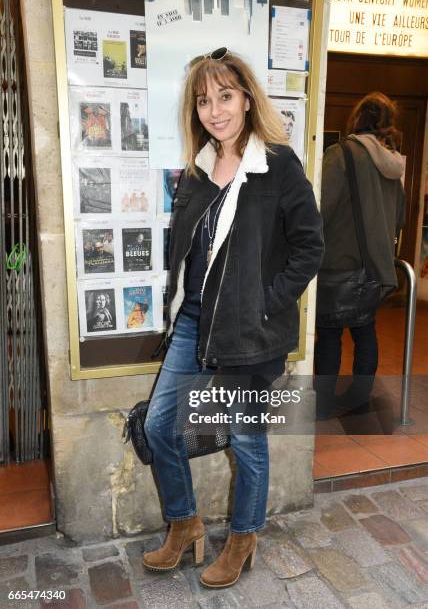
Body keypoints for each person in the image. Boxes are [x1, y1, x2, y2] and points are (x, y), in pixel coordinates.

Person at [142, 48, 324, 587]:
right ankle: (186, 526)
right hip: (196, 320)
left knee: (246, 440)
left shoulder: (278, 164)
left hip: (251, 329)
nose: (215, 110)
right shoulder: (198, 168)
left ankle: (242, 540)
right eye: (204, 101)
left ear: (247, 98)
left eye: (225, 96)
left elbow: (309, 249)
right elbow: (191, 252)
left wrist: (266, 302)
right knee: (158, 427)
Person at [315, 92, 406, 418]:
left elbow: (320, 209)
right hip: (376, 268)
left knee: (328, 335)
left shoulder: (341, 155)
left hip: (339, 263)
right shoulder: (394, 161)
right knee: (365, 330)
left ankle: (322, 403)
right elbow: (400, 218)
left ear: (356, 119)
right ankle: (358, 398)